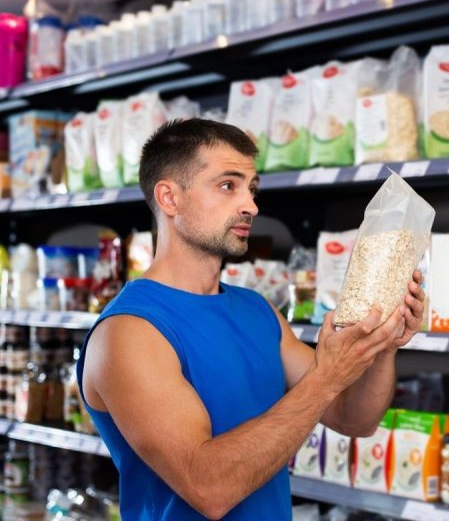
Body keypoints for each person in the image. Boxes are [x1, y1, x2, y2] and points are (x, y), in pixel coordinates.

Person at [77, 119, 425, 520]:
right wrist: (326, 377)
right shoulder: (129, 333)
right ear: (170, 198)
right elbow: (208, 488)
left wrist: (383, 344)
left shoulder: (258, 311)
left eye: (252, 188)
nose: (251, 205)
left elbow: (354, 418)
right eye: (228, 186)